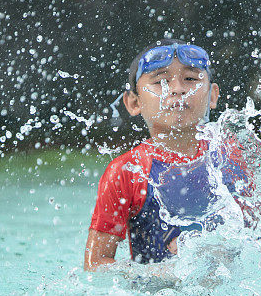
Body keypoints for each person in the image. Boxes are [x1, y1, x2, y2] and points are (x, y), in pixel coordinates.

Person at [84, 39, 250, 271]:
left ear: (212, 96)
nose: (177, 89)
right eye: (161, 81)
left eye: (190, 79)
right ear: (134, 102)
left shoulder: (230, 156)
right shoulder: (127, 172)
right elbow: (95, 264)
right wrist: (168, 273)